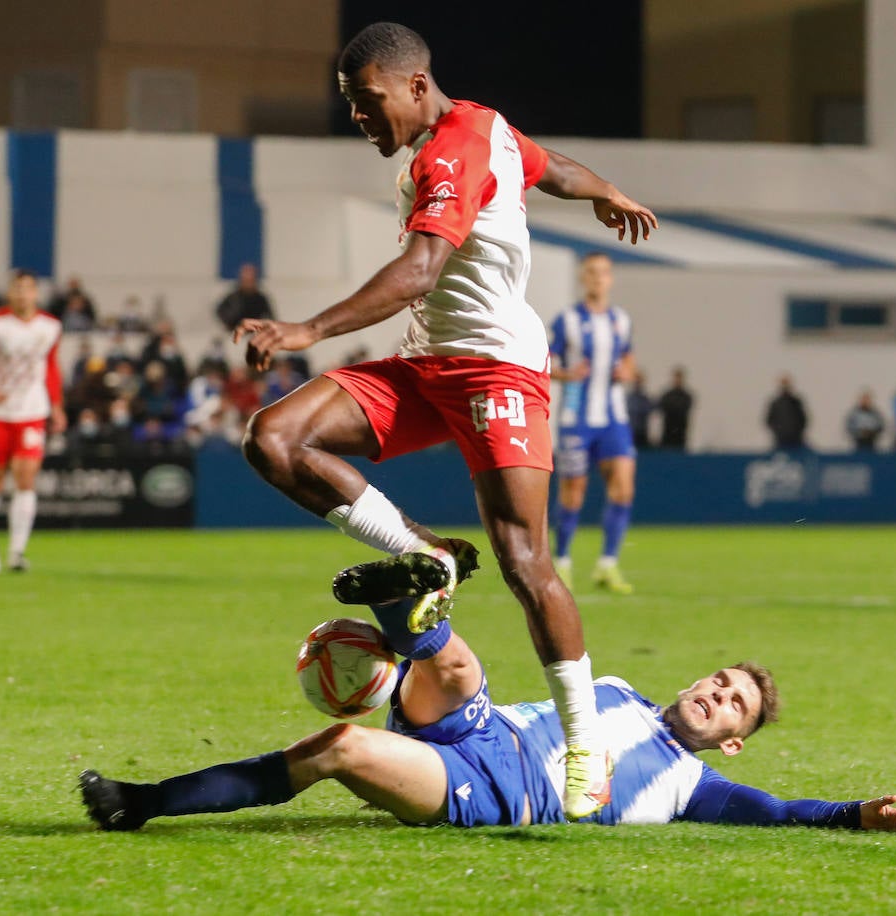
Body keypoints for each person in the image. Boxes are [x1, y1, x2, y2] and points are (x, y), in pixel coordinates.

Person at [231, 22, 658, 820]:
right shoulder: (486, 125)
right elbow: (551, 168)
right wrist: (604, 191)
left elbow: (421, 268)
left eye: (368, 102)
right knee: (275, 438)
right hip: (428, 368)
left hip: (497, 370)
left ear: (416, 86)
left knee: (526, 559)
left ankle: (586, 743)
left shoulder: (450, 151)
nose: (360, 118)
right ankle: (423, 552)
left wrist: (306, 332)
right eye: (353, 106)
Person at [79, 554, 896, 835]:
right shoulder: (621, 689)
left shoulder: (694, 788)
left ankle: (142, 803)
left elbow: (781, 814)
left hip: (491, 790)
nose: (717, 693)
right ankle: (410, 607)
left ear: (733, 740)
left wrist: (853, 815)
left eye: (734, 703)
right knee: (458, 670)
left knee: (339, 749)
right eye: (719, 679)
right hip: (481, 726)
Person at [0, 270, 66, 574]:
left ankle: (17, 551)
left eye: (28, 289)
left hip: (32, 411)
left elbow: (51, 368)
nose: (22, 295)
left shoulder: (51, 326)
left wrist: (57, 406)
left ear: (36, 293)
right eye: (17, 289)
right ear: (9, 293)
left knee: (26, 476)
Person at [548, 252, 638, 595]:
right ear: (583, 278)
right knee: (574, 491)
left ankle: (607, 564)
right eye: (592, 273)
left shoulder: (621, 320)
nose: (598, 278)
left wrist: (627, 372)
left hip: (614, 417)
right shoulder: (568, 320)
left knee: (624, 486)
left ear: (610, 278)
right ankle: (563, 561)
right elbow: (545, 361)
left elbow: (629, 358)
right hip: (576, 417)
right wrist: (567, 374)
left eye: (603, 273)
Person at [215, 263, 275, 332]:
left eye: (250, 279)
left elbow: (270, 318)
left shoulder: (261, 299)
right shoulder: (233, 298)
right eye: (245, 279)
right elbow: (221, 312)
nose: (248, 282)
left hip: (254, 334)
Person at [765, 374, 808, 451]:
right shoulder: (776, 403)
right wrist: (778, 431)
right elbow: (769, 420)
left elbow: (803, 419)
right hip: (780, 440)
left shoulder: (795, 402)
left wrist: (797, 431)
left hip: (796, 439)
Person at [657, 366, 694, 450]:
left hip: (680, 432)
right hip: (668, 432)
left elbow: (685, 408)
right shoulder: (667, 395)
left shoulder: (686, 396)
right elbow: (662, 408)